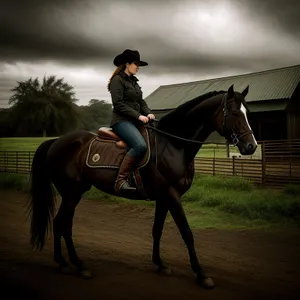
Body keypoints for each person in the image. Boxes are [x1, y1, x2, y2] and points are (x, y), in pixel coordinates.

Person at [107, 49, 155, 195]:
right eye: (136, 64)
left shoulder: (134, 82)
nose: (138, 67)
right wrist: (138, 116)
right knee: (140, 145)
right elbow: (118, 104)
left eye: (139, 64)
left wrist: (148, 112)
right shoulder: (117, 80)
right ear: (127, 64)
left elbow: (141, 101)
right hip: (121, 121)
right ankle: (120, 181)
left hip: (134, 121)